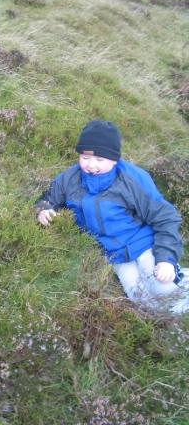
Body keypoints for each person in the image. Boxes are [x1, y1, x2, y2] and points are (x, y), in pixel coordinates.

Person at [35, 120, 189, 314]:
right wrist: (43, 210)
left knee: (163, 291)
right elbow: (48, 199)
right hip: (115, 255)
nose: (91, 165)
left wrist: (165, 259)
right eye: (85, 157)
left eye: (100, 159)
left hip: (144, 244)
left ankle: (180, 277)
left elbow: (166, 217)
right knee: (144, 303)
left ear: (114, 159)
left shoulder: (133, 179)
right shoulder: (69, 179)